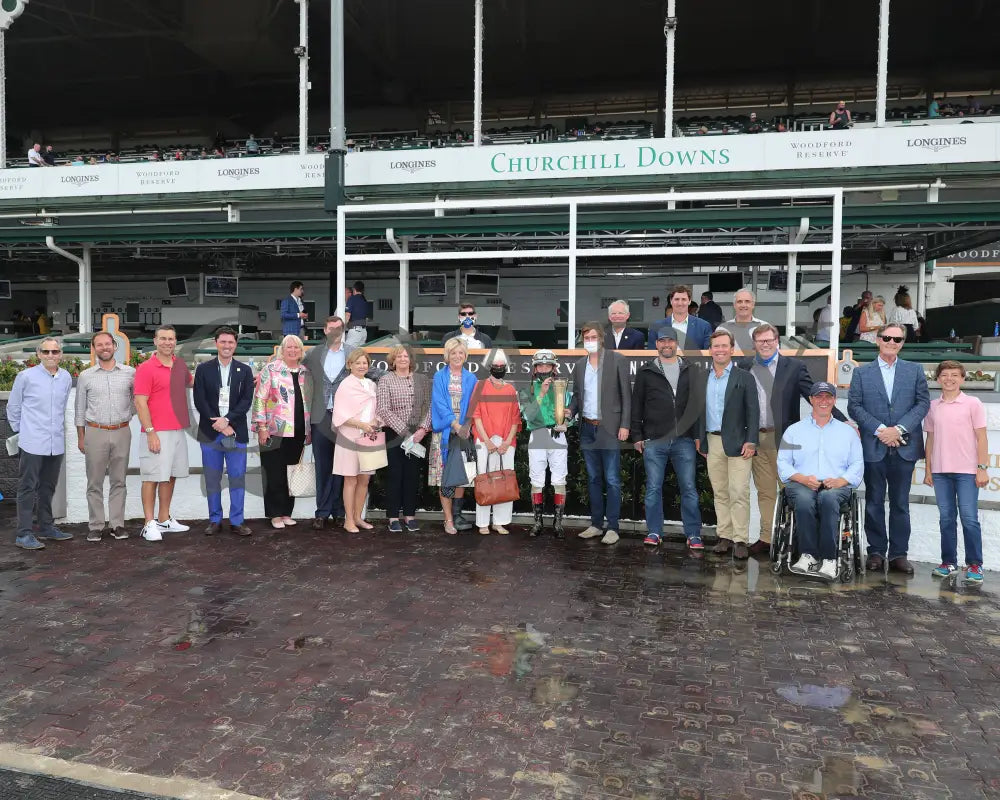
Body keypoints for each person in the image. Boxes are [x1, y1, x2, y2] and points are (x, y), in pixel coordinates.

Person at [739, 323, 848, 556]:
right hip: (756, 438)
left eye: (769, 340)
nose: (765, 344)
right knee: (765, 491)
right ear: (754, 345)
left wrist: (843, 421)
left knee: (793, 491)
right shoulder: (746, 366)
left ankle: (796, 542)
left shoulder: (794, 367)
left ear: (777, 341)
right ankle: (767, 538)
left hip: (785, 440)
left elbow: (815, 398)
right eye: (761, 341)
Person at [847, 322, 931, 574]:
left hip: (904, 446)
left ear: (903, 342)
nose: (892, 343)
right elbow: (855, 407)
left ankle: (898, 554)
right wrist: (882, 430)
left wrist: (900, 429)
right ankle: (875, 552)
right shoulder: (862, 373)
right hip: (874, 445)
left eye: (897, 339)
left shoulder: (914, 370)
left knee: (900, 503)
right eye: (887, 338)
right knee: (873, 500)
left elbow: (922, 404)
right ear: (878, 340)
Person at [777, 382, 864, 580]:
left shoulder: (848, 432)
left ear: (834, 400)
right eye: (819, 397)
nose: (823, 401)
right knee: (805, 500)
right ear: (811, 400)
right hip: (801, 483)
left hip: (837, 486)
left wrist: (841, 481)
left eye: (828, 397)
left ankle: (829, 559)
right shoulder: (794, 430)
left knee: (828, 499)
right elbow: (783, 463)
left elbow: (857, 464)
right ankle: (808, 555)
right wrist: (803, 479)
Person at [631, 327, 704, 549]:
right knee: (653, 487)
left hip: (684, 440)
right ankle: (654, 531)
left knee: (689, 487)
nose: (666, 345)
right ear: (656, 345)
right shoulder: (646, 372)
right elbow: (637, 406)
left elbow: (698, 407)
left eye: (670, 341)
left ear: (676, 343)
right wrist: (637, 435)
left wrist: (698, 436)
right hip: (655, 439)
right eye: (662, 341)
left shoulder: (691, 370)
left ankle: (693, 534)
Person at [923, 361, 987, 584]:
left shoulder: (973, 403)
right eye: (945, 375)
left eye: (954, 375)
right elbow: (930, 439)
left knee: (969, 519)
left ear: (962, 379)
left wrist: (981, 468)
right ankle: (948, 562)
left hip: (967, 472)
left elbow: (981, 438)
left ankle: (975, 565)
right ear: (938, 378)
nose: (949, 379)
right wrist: (929, 470)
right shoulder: (932, 406)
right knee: (946, 519)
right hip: (941, 472)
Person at [6, 338, 73, 550]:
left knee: (48, 487)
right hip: (32, 442)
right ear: (39, 354)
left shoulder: (65, 377)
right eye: (46, 352)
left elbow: (62, 408)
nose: (51, 355)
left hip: (56, 442)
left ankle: (46, 526)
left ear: (60, 354)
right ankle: (23, 534)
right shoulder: (25, 376)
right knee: (27, 487)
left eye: (55, 352)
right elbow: (13, 407)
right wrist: (23, 432)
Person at [698, 329, 759, 560]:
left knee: (739, 492)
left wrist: (751, 440)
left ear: (732, 349)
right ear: (710, 350)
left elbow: (754, 412)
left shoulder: (744, 377)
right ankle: (724, 535)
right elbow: (699, 412)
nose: (720, 350)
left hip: (739, 443)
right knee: (720, 491)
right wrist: (699, 439)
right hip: (712, 442)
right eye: (716, 346)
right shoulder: (703, 377)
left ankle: (740, 539)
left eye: (724, 346)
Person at [570, 322, 632, 543]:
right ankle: (596, 524)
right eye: (586, 338)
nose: (590, 341)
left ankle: (613, 527)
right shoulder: (579, 365)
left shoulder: (617, 360)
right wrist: (567, 412)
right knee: (593, 478)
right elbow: (577, 397)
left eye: (593, 337)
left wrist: (625, 425)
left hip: (610, 428)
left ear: (602, 338)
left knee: (613, 479)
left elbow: (627, 395)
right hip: (587, 428)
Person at [193, 326, 254, 537]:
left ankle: (237, 521)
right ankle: (215, 520)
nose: (227, 346)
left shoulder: (245, 370)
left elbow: (246, 401)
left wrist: (228, 421)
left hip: (236, 432)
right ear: (216, 343)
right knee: (212, 478)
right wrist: (218, 423)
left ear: (235, 345)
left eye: (231, 342)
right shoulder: (203, 369)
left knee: (237, 477)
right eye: (223, 342)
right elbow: (199, 400)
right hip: (211, 433)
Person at [134, 325, 193, 542]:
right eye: (163, 339)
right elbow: (140, 402)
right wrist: (150, 432)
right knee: (151, 477)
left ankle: (164, 519)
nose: (168, 342)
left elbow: (193, 382)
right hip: (156, 431)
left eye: (171, 339)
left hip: (177, 430)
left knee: (169, 475)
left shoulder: (180, 365)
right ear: (155, 341)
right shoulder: (146, 368)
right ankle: (148, 523)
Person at [75, 331, 135, 542]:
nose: (104, 348)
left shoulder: (130, 373)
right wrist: (81, 437)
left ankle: (117, 525)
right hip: (95, 432)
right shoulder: (86, 376)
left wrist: (126, 417)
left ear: (114, 346)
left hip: (121, 431)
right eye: (99, 345)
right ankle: (96, 525)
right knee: (95, 482)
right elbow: (79, 410)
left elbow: (137, 403)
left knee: (119, 481)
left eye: (107, 344)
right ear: (94, 349)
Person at [253, 334, 312, 530]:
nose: (293, 350)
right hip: (273, 431)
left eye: (297, 348)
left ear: (301, 351)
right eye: (289, 347)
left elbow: (308, 403)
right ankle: (274, 513)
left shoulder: (305, 372)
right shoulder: (271, 369)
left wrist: (308, 430)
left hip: (298, 431)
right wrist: (261, 427)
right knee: (274, 474)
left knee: (291, 474)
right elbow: (260, 398)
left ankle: (287, 512)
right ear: (282, 349)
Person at [376, 344, 432, 533]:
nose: (402, 359)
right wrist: (405, 432)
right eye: (398, 356)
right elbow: (383, 409)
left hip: (418, 435)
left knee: (412, 476)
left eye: (405, 356)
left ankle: (410, 515)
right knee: (394, 475)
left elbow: (429, 406)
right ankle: (393, 517)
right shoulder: (385, 380)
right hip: (395, 434)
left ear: (410, 360)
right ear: (393, 360)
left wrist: (423, 429)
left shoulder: (422, 380)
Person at [303, 316, 350, 529]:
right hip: (320, 416)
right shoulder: (313, 354)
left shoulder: (352, 352)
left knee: (342, 465)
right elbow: (295, 372)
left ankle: (339, 511)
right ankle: (322, 512)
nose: (334, 332)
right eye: (331, 328)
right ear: (324, 330)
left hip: (345, 418)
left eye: (338, 328)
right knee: (322, 466)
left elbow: (366, 371)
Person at [519, 349, 572, 539]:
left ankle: (558, 522)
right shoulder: (527, 390)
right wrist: (541, 393)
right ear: (534, 368)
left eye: (547, 365)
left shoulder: (563, 387)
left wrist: (568, 421)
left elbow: (570, 413)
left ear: (553, 367)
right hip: (538, 434)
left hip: (557, 435)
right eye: (540, 365)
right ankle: (538, 522)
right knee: (537, 480)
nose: (543, 368)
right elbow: (528, 416)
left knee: (559, 479)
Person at [430, 338, 478, 533]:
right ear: (447, 355)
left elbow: (474, 406)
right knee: (444, 476)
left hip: (463, 432)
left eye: (461, 353)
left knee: (462, 474)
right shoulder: (440, 377)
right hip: (444, 432)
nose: (457, 356)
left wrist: (465, 426)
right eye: (453, 353)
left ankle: (458, 515)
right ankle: (448, 520)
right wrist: (454, 424)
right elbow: (439, 403)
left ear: (465, 356)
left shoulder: (471, 378)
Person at [470, 351, 521, 535]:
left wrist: (507, 442)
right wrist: (487, 440)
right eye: (496, 366)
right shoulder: (480, 386)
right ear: (489, 367)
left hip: (507, 442)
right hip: (484, 440)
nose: (499, 369)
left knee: (505, 481)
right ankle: (483, 523)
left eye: (502, 366)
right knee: (484, 479)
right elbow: (476, 416)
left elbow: (516, 419)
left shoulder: (510, 389)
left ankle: (500, 522)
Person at [333, 349, 382, 533]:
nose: (362, 366)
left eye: (365, 363)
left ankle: (358, 517)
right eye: (358, 363)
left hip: (369, 435)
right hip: (350, 435)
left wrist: (375, 423)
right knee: (350, 479)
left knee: (365, 479)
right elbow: (339, 415)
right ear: (350, 365)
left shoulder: (371, 385)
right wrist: (361, 424)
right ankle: (348, 520)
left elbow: (377, 410)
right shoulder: (345, 385)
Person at [646, 285, 712, 351]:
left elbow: (707, 356)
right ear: (671, 301)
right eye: (677, 299)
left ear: (689, 301)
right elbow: (651, 354)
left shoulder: (704, 326)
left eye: (684, 299)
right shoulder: (656, 327)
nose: (680, 303)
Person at [717, 288, 767, 353]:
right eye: (739, 302)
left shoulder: (765, 327)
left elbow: (773, 353)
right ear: (734, 305)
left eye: (747, 301)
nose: (743, 305)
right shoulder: (722, 329)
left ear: (753, 305)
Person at [344, 281, 369, 350]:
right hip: (364, 331)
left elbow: (347, 315)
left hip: (355, 331)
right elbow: (366, 318)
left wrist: (342, 327)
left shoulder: (352, 299)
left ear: (354, 289)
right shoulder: (364, 300)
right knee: (359, 353)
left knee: (347, 351)